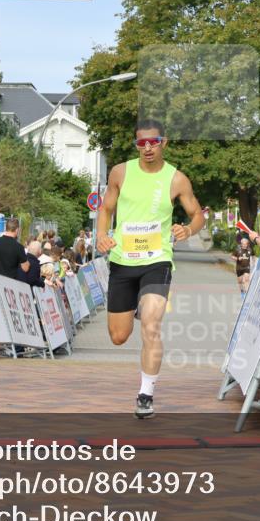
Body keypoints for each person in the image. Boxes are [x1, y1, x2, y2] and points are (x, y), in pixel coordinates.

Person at [97, 119, 205, 419]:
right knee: (118, 337)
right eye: (141, 143)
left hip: (157, 261)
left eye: (153, 142)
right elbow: (106, 209)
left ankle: (146, 394)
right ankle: (136, 304)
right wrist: (102, 236)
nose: (147, 148)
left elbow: (197, 214)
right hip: (122, 260)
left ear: (164, 143)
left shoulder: (176, 179)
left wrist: (189, 230)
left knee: (152, 325)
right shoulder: (120, 172)